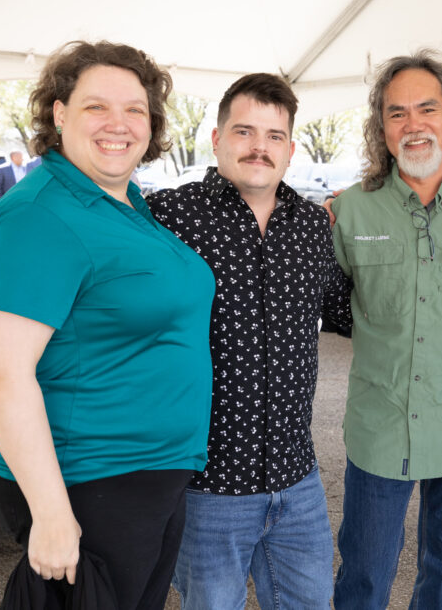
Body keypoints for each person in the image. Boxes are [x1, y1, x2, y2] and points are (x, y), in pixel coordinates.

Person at [0, 40, 215, 610]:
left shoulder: (122, 197)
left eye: (135, 109)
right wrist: (53, 516)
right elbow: (2, 371)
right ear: (59, 114)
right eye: (95, 107)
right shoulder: (40, 216)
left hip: (144, 474)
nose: (120, 124)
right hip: (90, 478)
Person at [146, 73, 352, 610]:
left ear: (289, 149)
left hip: (296, 477)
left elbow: (345, 313)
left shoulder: (311, 226)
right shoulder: (169, 218)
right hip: (206, 484)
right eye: (244, 131)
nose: (260, 147)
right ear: (216, 140)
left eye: (275, 135)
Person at [330, 50, 442, 610]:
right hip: (381, 426)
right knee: (365, 570)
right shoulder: (349, 213)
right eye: (397, 113)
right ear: (381, 130)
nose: (413, 125)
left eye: (427, 109)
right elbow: (331, 307)